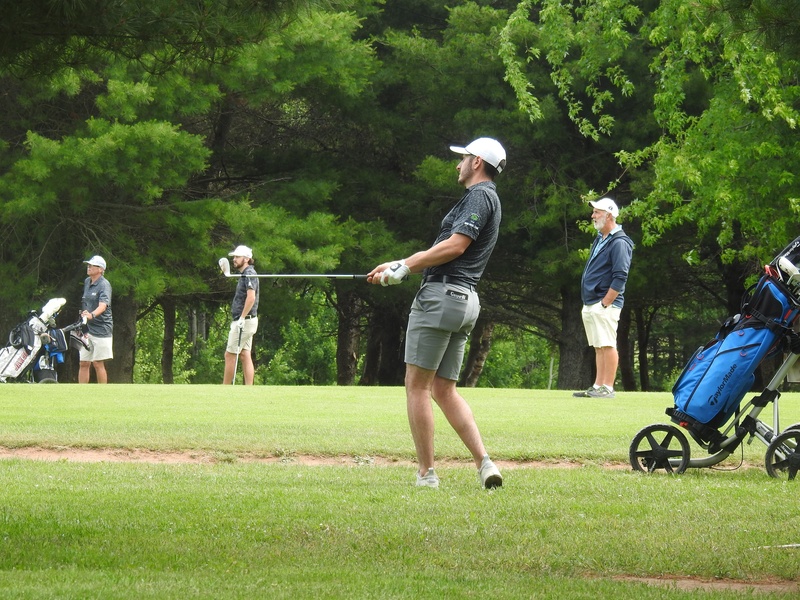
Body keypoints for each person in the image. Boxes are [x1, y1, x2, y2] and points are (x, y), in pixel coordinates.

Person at [367, 137, 506, 489]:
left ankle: (427, 474)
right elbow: (444, 249)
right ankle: (485, 463)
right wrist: (401, 263)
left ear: (477, 162)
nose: (458, 164)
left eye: (463, 158)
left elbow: (455, 246)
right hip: (465, 302)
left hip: (442, 298)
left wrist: (405, 266)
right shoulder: (489, 197)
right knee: (444, 389)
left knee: (417, 387)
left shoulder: (479, 195)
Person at [573, 198, 634, 399]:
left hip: (605, 303)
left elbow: (620, 276)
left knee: (607, 344)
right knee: (599, 346)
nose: (593, 216)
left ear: (609, 215)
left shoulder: (619, 242)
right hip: (592, 301)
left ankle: (608, 388)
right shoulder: (601, 238)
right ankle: (598, 386)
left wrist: (605, 302)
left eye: (597, 212)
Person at [223, 245, 259, 385]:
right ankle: (249, 389)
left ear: (246, 259)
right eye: (234, 257)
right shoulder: (245, 273)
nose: (234, 259)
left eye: (237, 257)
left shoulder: (249, 273)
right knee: (244, 354)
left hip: (245, 321)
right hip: (247, 320)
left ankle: (225, 388)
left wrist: (242, 317)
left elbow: (251, 297)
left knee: (230, 355)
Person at [79, 255, 113, 384]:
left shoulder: (104, 285)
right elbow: (86, 301)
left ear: (100, 269)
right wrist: (85, 313)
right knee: (83, 362)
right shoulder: (87, 281)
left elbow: (103, 306)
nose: (89, 267)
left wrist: (92, 315)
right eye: (88, 265)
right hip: (87, 328)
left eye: (92, 265)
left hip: (102, 328)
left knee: (98, 363)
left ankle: (102, 392)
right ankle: (81, 392)